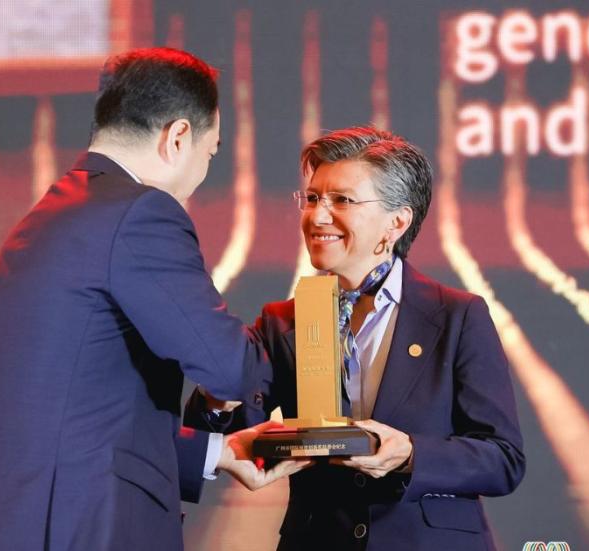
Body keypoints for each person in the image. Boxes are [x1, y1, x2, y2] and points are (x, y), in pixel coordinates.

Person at [0, 48, 306, 551]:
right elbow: (228, 368)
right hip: (81, 528)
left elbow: (73, 416)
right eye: (211, 152)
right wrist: (309, 331)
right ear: (177, 137)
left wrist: (216, 453)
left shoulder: (53, 214)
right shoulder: (139, 214)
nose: (203, 172)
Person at [186, 127, 525, 550]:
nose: (317, 216)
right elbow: (223, 430)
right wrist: (218, 394)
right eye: (312, 199)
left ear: (397, 222)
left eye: (341, 200)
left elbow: (503, 459)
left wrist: (409, 453)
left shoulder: (457, 316)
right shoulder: (282, 322)